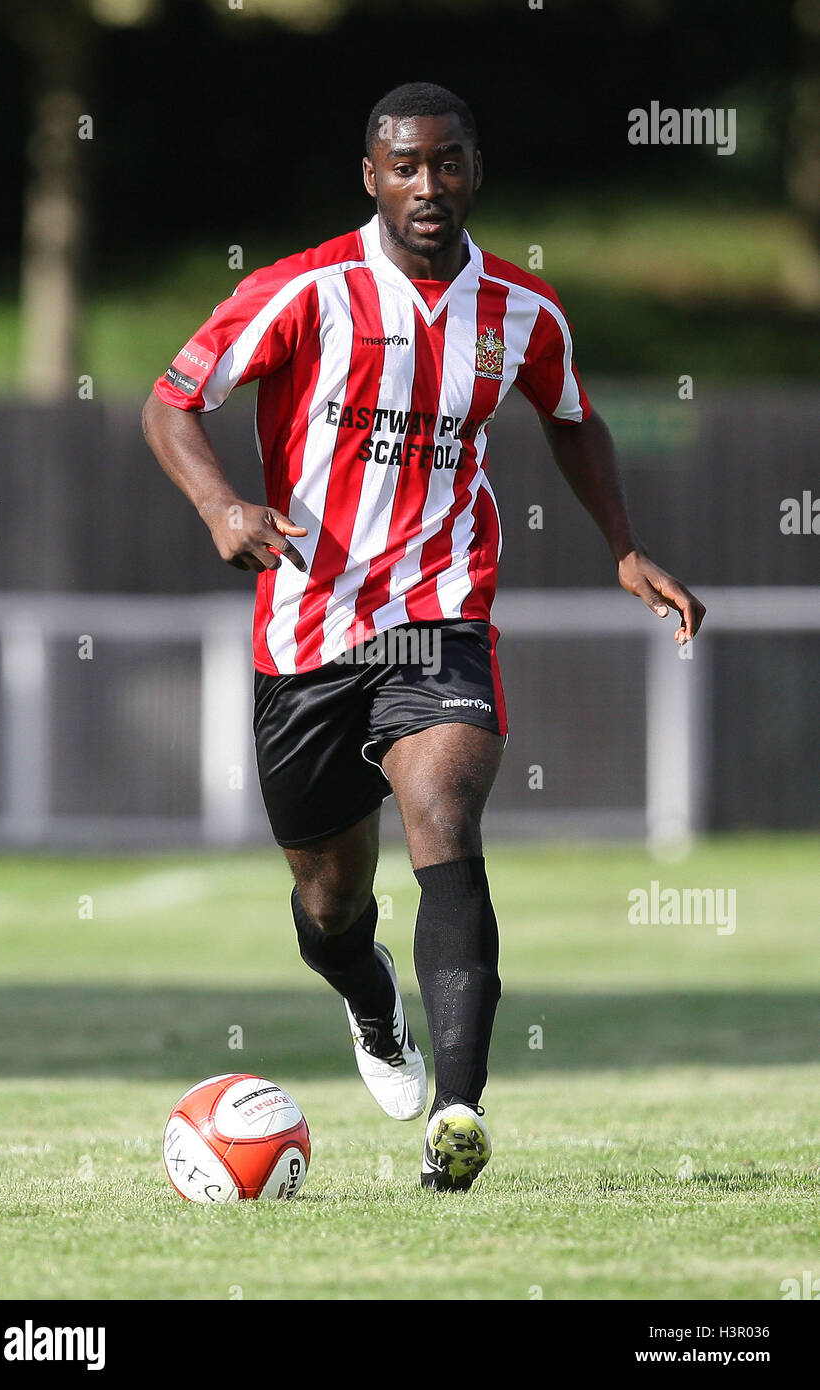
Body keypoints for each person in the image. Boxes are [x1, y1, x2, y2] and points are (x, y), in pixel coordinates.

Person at [142, 81, 705, 1192]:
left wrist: (621, 546)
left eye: (445, 163)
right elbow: (172, 399)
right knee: (327, 900)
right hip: (306, 634)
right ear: (371, 177)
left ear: (473, 170)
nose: (427, 186)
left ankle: (456, 1114)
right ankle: (367, 999)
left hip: (439, 615)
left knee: (444, 816)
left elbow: (573, 416)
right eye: (404, 165)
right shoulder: (302, 291)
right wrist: (221, 507)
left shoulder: (521, 313)